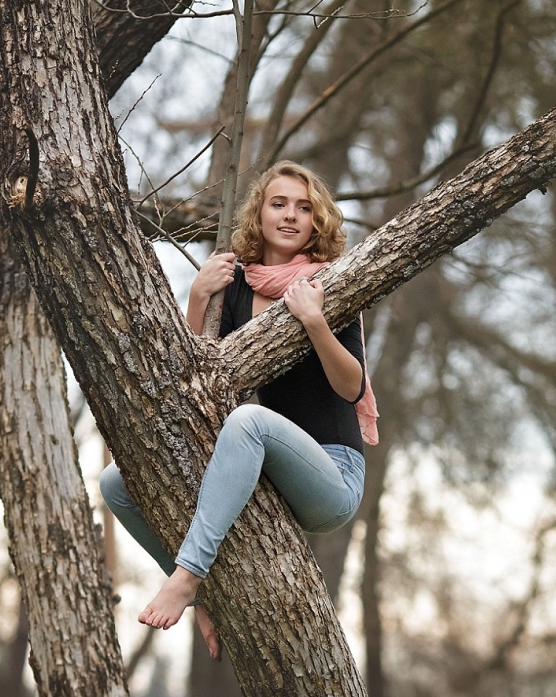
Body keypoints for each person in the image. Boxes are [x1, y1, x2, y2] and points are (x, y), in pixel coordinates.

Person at [99, 160, 378, 660]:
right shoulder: (236, 287)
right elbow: (196, 383)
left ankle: (186, 578)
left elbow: (352, 387)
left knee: (247, 420)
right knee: (114, 482)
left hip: (331, 475)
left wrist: (315, 323)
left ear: (318, 221)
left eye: (304, 207)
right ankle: (202, 597)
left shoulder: (330, 283)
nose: (291, 216)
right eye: (279, 204)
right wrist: (196, 297)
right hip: (264, 468)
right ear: (260, 213)